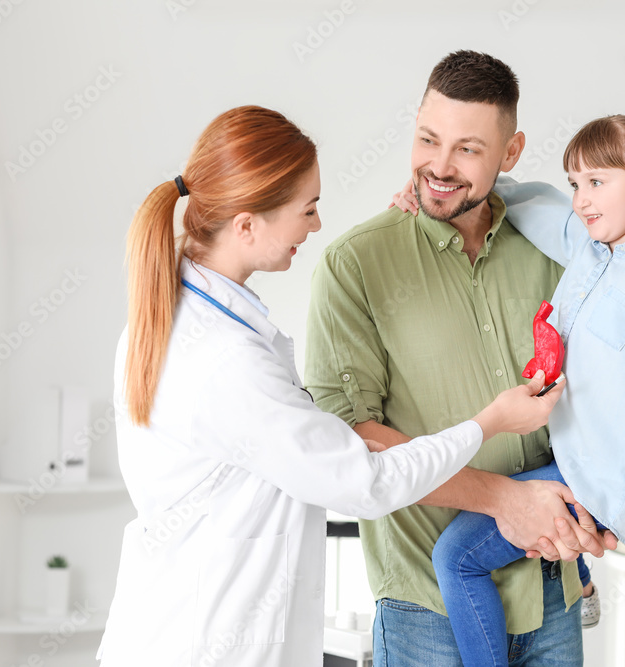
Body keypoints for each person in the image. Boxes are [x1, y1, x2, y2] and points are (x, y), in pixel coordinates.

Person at [95, 105, 564, 667]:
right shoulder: (224, 360)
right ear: (247, 225)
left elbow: (310, 451)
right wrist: (489, 422)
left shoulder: (183, 321)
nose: (316, 225)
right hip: (208, 643)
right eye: (308, 208)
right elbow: (362, 482)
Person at [306, 51, 615, 667]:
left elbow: (608, 396)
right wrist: (502, 499)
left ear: (511, 152)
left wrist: (594, 512)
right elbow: (353, 441)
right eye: (427, 139)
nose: (439, 167)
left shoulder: (559, 251)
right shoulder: (357, 266)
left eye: (468, 150)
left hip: (550, 593)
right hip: (427, 612)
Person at [392, 113, 625, 666]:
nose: (581, 199)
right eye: (575, 182)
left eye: (597, 182)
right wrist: (438, 190)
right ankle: (581, 579)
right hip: (568, 456)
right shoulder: (590, 249)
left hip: (600, 477)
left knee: (455, 558)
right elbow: (529, 203)